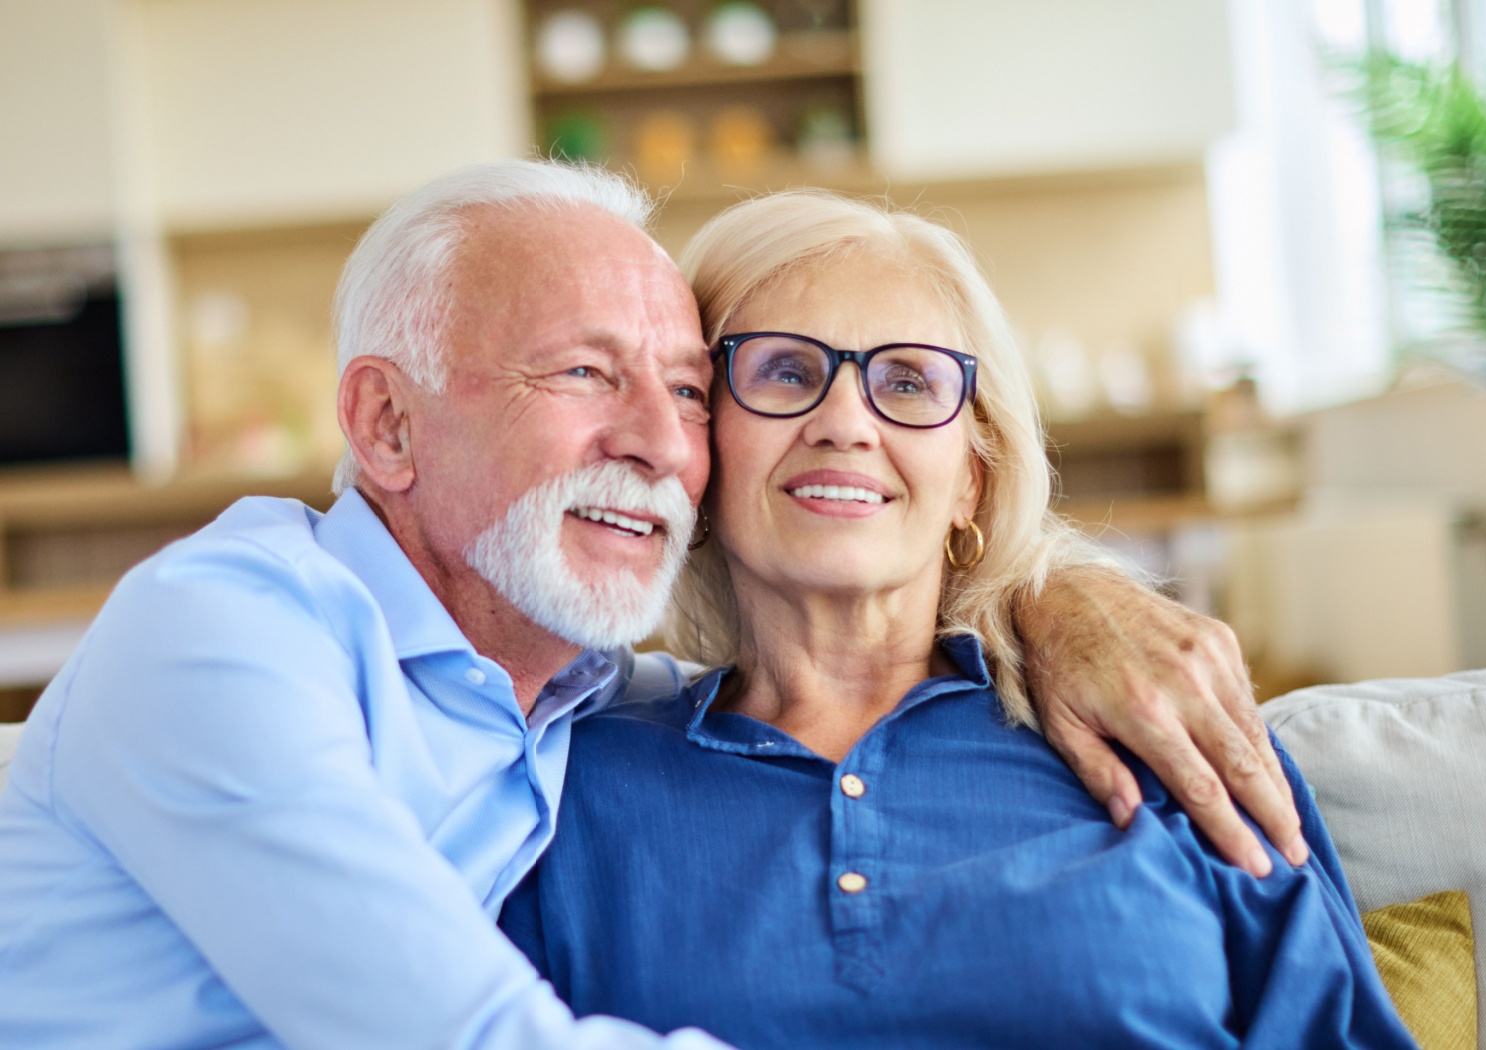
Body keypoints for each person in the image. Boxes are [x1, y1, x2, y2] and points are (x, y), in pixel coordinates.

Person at [0, 161, 1296, 1049]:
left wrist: (1055, 593)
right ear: (386, 423)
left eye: (686, 391)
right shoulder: (222, 639)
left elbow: (849, 641)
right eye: (582, 371)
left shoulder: (577, 695)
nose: (658, 444)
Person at [500, 190, 1416, 1048]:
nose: (845, 422)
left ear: (971, 477)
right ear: (699, 446)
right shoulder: (569, 785)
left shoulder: (1155, 721)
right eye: (785, 372)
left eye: (906, 382)